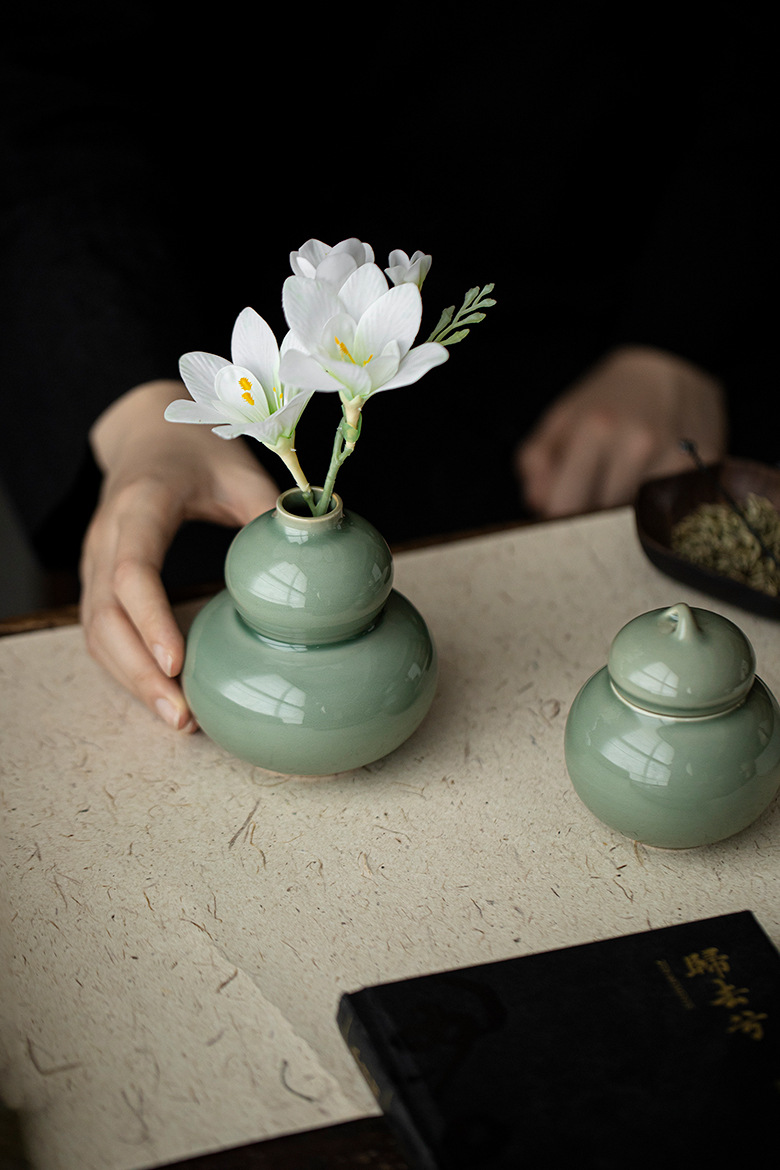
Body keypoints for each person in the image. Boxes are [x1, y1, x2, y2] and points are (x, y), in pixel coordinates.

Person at [1, 4, 773, 731]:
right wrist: (138, 409)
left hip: (617, 317)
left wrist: (679, 330)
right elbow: (44, 86)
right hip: (196, 385)